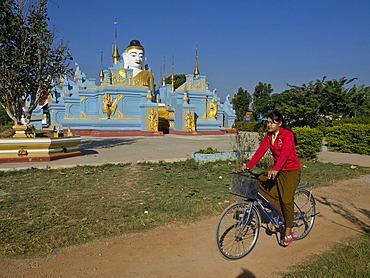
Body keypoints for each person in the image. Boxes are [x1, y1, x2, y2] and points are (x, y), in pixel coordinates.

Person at [241, 111, 300, 246]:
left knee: (286, 200)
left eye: (272, 122)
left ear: (279, 123)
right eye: (268, 122)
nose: (269, 125)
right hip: (276, 169)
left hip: (290, 171)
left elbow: (285, 154)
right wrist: (249, 165)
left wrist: (276, 169)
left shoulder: (287, 135)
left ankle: (288, 229)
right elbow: (260, 151)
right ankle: (274, 208)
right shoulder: (268, 136)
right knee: (257, 182)